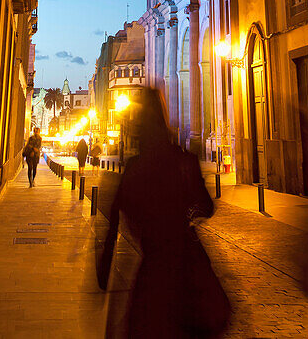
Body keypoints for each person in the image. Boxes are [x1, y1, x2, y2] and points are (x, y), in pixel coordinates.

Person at [97, 87, 230, 338]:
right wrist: (184, 214)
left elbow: (112, 227)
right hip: (187, 273)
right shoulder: (184, 161)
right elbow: (207, 207)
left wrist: (105, 274)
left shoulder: (134, 169)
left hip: (153, 276)